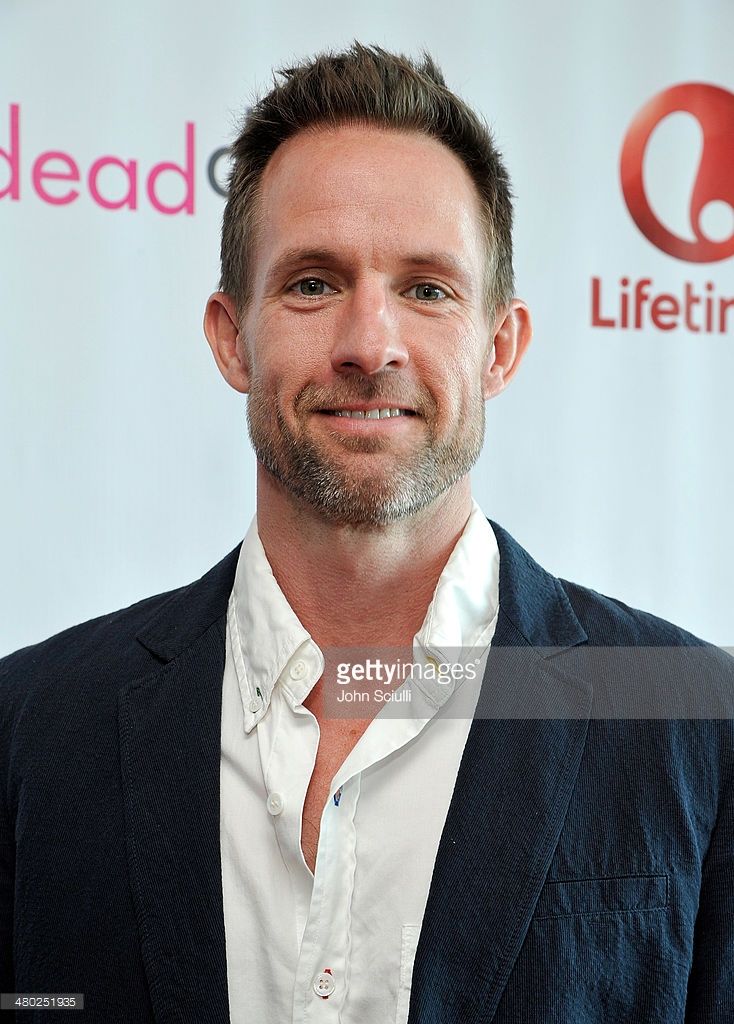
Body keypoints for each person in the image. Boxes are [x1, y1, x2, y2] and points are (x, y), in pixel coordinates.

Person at [1, 43, 732, 1024]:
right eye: (312, 283)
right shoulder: (32, 728)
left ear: (500, 346)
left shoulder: (695, 722)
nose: (368, 344)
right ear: (231, 336)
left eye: (427, 289)